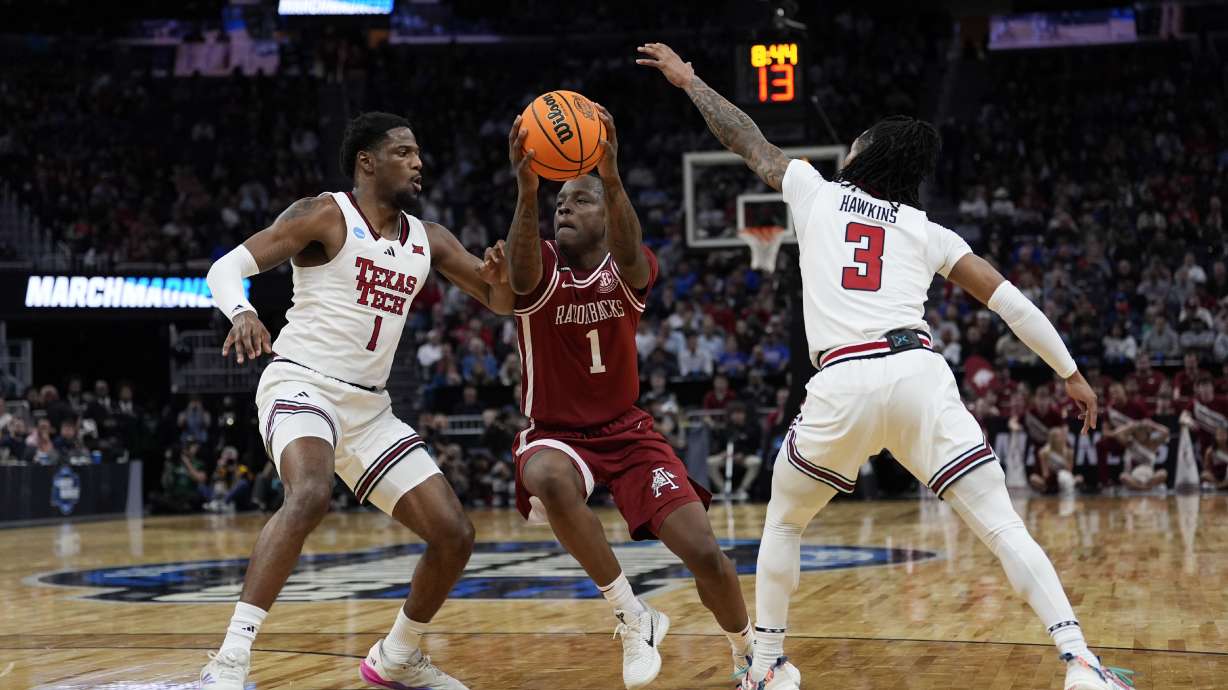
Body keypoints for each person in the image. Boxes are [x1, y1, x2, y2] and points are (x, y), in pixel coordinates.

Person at [639, 42, 1131, 690]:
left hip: (841, 381)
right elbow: (1008, 298)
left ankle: (765, 669)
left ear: (863, 156)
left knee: (784, 521)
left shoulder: (814, 191)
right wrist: (1068, 371)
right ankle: (1080, 663)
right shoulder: (927, 229)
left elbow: (747, 138)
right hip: (916, 374)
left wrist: (690, 82)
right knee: (1001, 524)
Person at [200, 112, 514, 690]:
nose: (417, 162)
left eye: (418, 152)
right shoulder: (324, 213)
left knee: (455, 535)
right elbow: (228, 267)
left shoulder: (430, 239)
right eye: (403, 152)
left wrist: (499, 270)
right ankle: (229, 661)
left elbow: (499, 299)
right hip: (302, 384)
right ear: (367, 162)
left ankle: (397, 656)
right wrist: (243, 312)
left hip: (371, 410)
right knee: (311, 493)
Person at [503, 105, 762, 689]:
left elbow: (627, 251)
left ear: (607, 214)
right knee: (544, 473)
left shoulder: (630, 268)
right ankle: (631, 613)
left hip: (629, 432)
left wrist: (612, 177)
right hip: (558, 434)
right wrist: (526, 190)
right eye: (559, 201)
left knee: (704, 554)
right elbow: (518, 283)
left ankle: (751, 655)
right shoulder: (538, 262)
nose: (564, 207)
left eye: (580, 200)